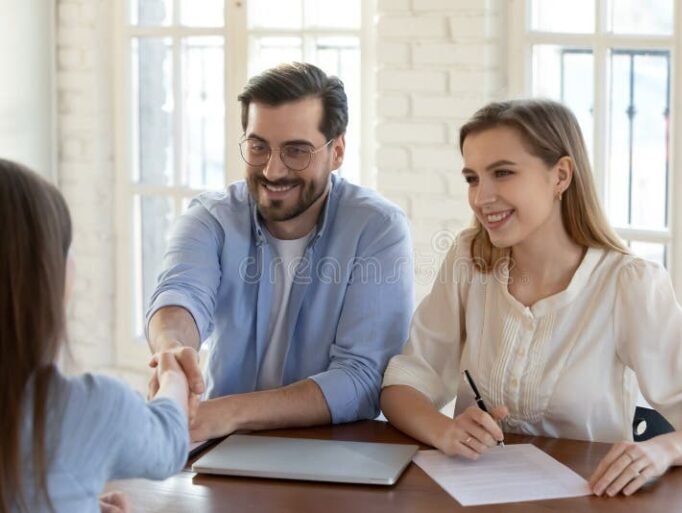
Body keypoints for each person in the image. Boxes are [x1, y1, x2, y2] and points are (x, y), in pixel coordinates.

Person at [380, 99, 682, 497]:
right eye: (472, 179)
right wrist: (445, 430)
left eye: (502, 173)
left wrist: (662, 450)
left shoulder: (628, 284)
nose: (481, 197)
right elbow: (405, 382)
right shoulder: (469, 258)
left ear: (560, 175)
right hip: (473, 497)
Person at [146, 62, 413, 442]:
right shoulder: (211, 217)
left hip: (334, 445)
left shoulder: (377, 228)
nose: (273, 170)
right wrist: (173, 351)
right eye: (259, 147)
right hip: (227, 441)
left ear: (337, 151)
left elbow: (362, 378)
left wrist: (228, 413)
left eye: (296, 151)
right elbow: (180, 294)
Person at [0, 159, 190, 513]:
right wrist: (173, 376)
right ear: (43, 278)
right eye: (66, 247)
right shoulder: (87, 408)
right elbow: (170, 442)